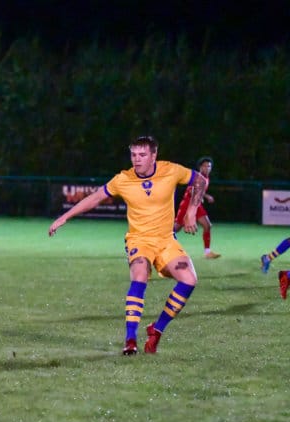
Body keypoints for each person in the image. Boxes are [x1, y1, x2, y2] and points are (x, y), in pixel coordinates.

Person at [49, 135, 208, 355]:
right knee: (139, 275)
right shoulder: (123, 179)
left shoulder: (170, 170)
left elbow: (200, 180)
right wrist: (65, 217)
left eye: (142, 155)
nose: (136, 159)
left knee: (189, 279)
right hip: (139, 240)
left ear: (154, 155)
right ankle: (130, 339)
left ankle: (157, 329)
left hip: (166, 240)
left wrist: (191, 211)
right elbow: (95, 198)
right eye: (133, 155)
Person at [173, 156, 220, 258]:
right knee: (175, 228)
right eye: (205, 166)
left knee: (207, 225)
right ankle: (158, 242)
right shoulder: (197, 177)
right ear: (200, 167)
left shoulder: (206, 178)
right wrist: (204, 196)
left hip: (197, 205)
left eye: (209, 166)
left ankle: (207, 252)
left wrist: (203, 196)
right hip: (187, 205)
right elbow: (191, 190)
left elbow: (199, 191)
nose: (207, 168)